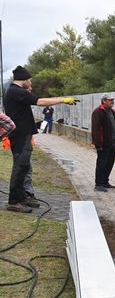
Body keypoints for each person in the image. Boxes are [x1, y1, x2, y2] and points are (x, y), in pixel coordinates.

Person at [5, 65, 78, 213]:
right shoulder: (15, 91)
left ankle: (22, 197)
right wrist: (63, 99)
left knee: (24, 167)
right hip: (19, 135)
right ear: (23, 79)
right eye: (29, 80)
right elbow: (39, 101)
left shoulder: (16, 92)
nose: (30, 83)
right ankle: (13, 201)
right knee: (19, 167)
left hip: (23, 134)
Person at [91, 94, 115, 192]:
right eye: (110, 100)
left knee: (109, 163)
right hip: (103, 143)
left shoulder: (111, 111)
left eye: (112, 100)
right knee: (101, 163)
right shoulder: (98, 112)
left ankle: (105, 181)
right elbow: (96, 129)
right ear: (104, 101)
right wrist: (98, 144)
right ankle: (98, 184)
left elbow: (114, 126)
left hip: (112, 142)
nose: (112, 101)